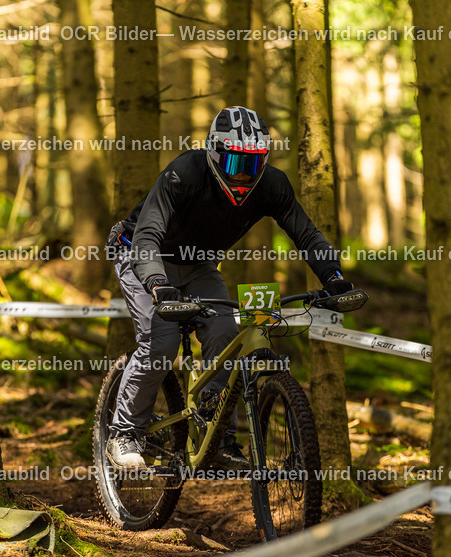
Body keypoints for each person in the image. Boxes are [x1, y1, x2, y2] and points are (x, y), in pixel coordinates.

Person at [105, 105, 354, 470]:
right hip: (139, 252)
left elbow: (307, 234)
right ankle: (123, 433)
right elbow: (147, 235)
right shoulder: (184, 173)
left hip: (199, 264)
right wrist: (157, 282)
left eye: (253, 165)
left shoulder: (272, 184)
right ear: (214, 154)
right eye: (236, 165)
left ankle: (219, 434)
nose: (244, 175)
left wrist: (333, 277)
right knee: (161, 341)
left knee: (225, 333)